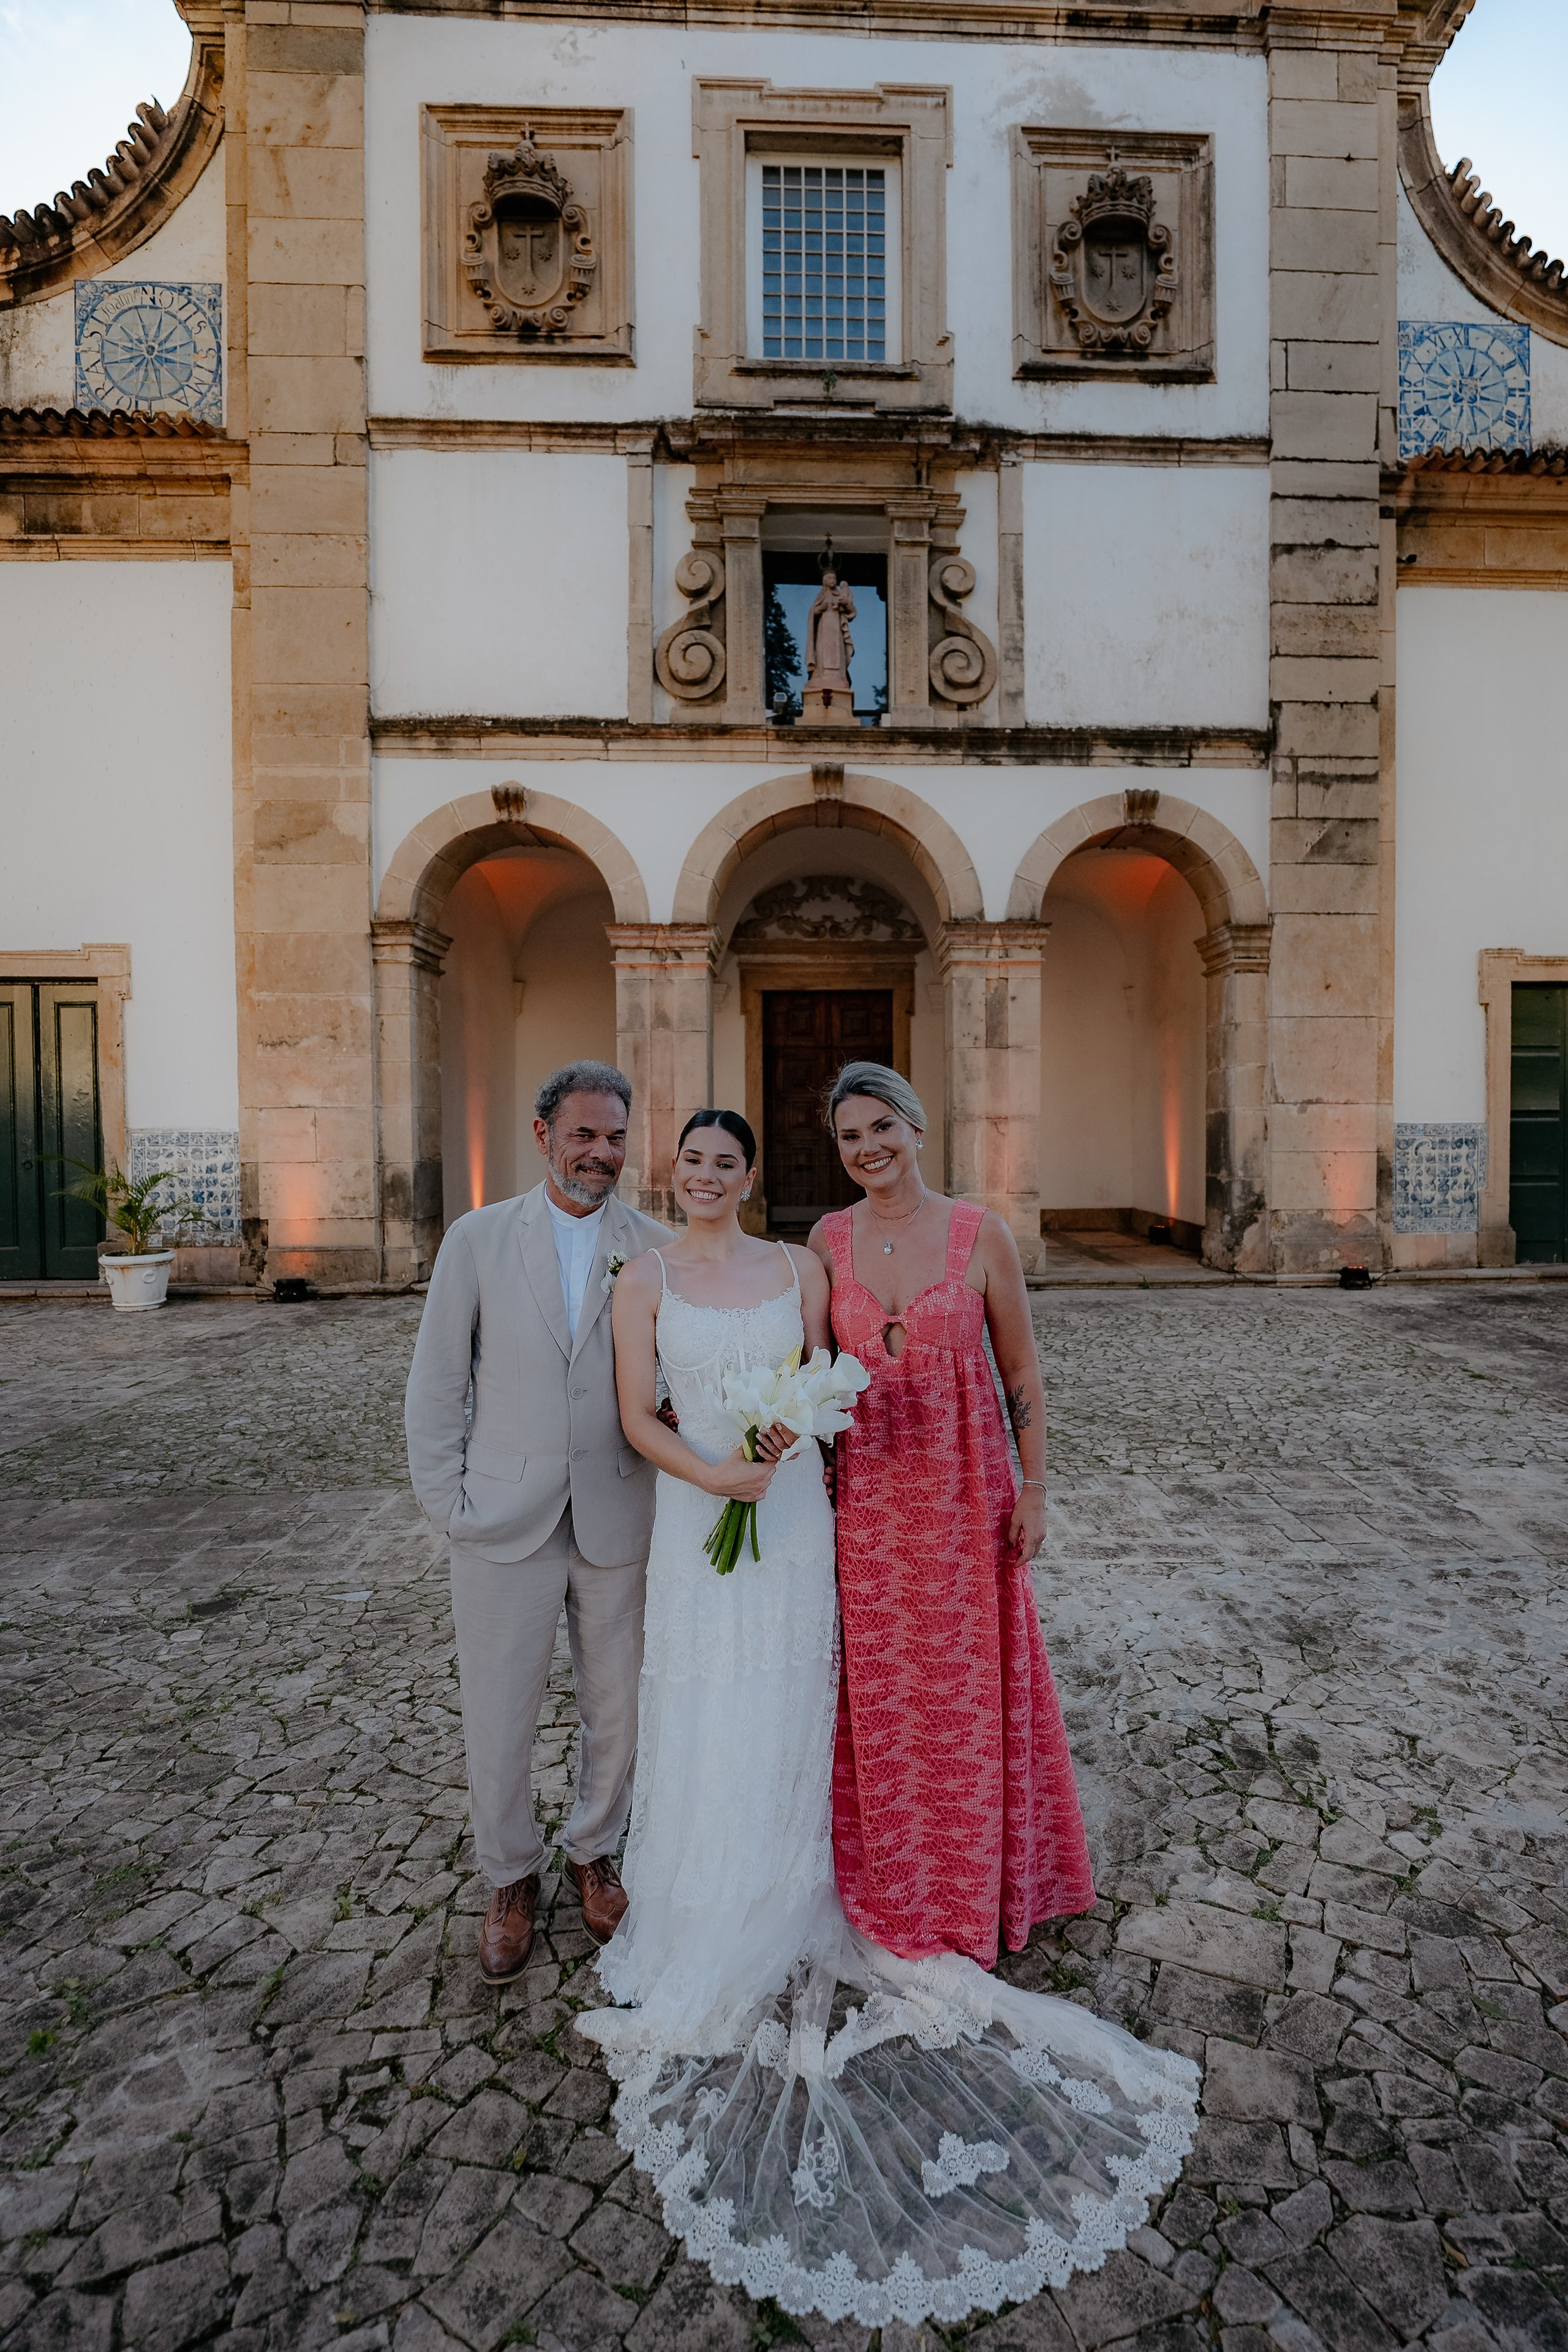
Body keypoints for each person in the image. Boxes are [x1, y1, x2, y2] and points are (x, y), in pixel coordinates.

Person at [575, 1104, 1200, 2334]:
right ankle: (710, 1893)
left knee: (799, 1695)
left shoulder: (804, 1265)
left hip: (800, 1519)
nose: (706, 1175)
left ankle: (812, 1875)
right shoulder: (643, 1279)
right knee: (709, 1702)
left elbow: (830, 1387)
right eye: (689, 1160)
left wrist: (797, 1451)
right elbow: (638, 1413)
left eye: (726, 1160)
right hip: (706, 1525)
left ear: (752, 1174)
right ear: (674, 1172)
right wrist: (722, 1473)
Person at [809, 1060, 1097, 1970]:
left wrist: (1036, 1490)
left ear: (916, 1128)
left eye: (882, 1128)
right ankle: (899, 1881)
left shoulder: (981, 1234)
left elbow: (1022, 1374)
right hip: (867, 1513)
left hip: (969, 1504)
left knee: (970, 1695)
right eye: (851, 1136)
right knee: (885, 1697)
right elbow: (810, 1378)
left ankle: (977, 1882)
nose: (868, 1149)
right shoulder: (827, 1241)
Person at [404, 1060, 666, 1986]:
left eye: (617, 1136)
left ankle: (596, 1852)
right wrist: (449, 1504)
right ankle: (509, 1878)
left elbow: (674, 1380)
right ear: (544, 1133)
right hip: (500, 1518)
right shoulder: (477, 1239)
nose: (602, 1152)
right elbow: (437, 1382)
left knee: (618, 1706)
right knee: (499, 1712)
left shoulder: (657, 1243)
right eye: (585, 1134)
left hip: (619, 1512)